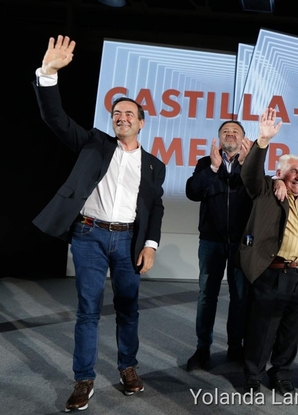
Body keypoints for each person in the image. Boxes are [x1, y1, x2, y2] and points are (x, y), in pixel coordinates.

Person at [32, 36, 166, 412]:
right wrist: (48, 74)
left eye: (129, 115)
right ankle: (84, 380)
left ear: (141, 122)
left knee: (128, 308)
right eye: (116, 114)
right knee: (88, 310)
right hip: (89, 235)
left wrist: (150, 245)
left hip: (127, 242)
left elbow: (155, 208)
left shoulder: (155, 164)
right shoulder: (93, 143)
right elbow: (55, 119)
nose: (121, 118)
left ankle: (128, 368)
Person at [239, 108, 298, 396]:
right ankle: (253, 376)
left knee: (290, 330)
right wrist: (262, 141)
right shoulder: (268, 192)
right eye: (293, 171)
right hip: (273, 274)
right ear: (279, 173)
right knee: (262, 329)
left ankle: (281, 372)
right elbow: (250, 175)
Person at [184, 120, 252, 370]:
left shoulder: (251, 164)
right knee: (206, 296)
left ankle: (236, 348)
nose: (230, 134)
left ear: (244, 139)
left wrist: (247, 166)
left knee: (240, 297)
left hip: (241, 244)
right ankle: (203, 349)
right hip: (211, 242)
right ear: (219, 137)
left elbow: (258, 194)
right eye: (226, 131)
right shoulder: (206, 163)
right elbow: (192, 191)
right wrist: (212, 168)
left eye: (235, 131)